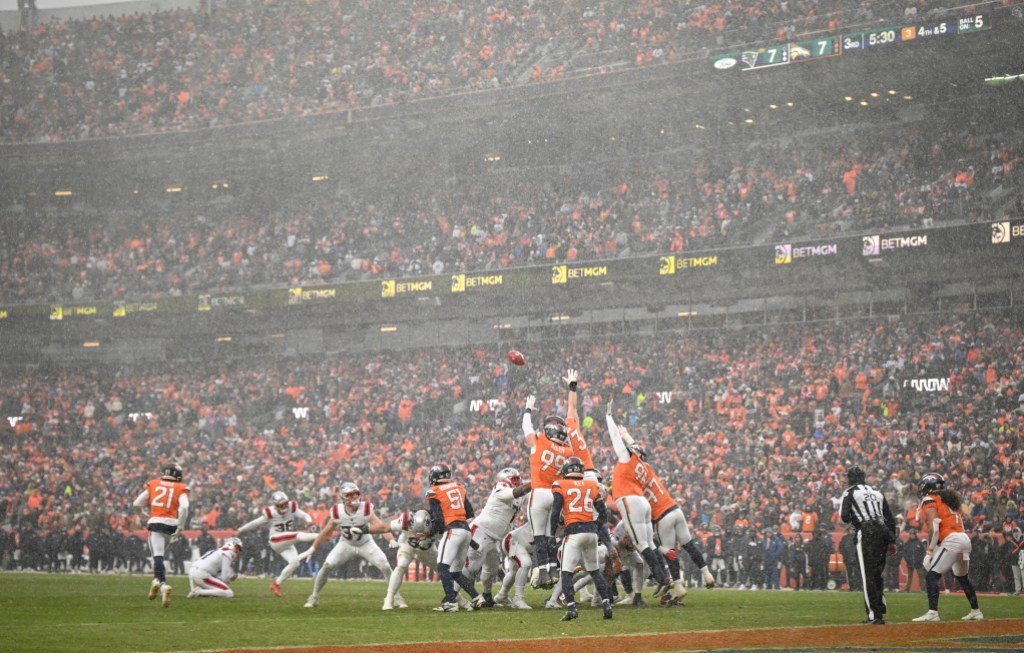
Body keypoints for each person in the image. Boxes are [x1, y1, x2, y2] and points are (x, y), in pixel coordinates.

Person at [604, 403, 682, 602]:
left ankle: (662, 577)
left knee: (641, 543)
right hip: (642, 502)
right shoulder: (642, 463)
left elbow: (615, 440)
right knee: (648, 543)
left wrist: (609, 417)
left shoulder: (627, 458)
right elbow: (637, 447)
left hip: (630, 501)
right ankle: (664, 575)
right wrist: (628, 435)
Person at [299, 482, 394, 608]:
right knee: (327, 565)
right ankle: (314, 596)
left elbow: (380, 526)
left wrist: (391, 540)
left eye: (356, 494)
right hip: (346, 544)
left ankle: (395, 595)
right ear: (343, 497)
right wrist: (312, 548)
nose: (354, 497)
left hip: (366, 543)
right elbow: (325, 531)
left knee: (385, 566)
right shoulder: (337, 511)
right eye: (350, 495)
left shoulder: (365, 508)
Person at [549, 456, 614, 621]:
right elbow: (603, 514)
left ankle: (571, 608)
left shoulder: (560, 484)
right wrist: (594, 526)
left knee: (566, 573)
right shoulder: (592, 485)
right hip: (591, 532)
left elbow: (555, 512)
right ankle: (607, 604)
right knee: (594, 571)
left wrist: (552, 532)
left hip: (574, 532)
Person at [912, 473, 984, 622]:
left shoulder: (930, 499)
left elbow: (935, 526)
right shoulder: (950, 501)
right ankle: (976, 611)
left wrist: (930, 552)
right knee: (963, 578)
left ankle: (933, 613)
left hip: (952, 540)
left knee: (932, 575)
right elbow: (961, 525)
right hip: (964, 539)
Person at [522, 393, 574, 589]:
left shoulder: (540, 441)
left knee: (539, 536)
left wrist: (527, 411)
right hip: (555, 494)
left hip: (539, 493)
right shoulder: (568, 452)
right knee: (550, 534)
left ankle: (543, 572)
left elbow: (526, 428)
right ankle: (553, 570)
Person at [465, 467, 531, 606]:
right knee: (472, 567)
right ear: (505, 480)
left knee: (491, 569)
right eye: (514, 479)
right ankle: (453, 596)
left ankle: (487, 596)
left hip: (494, 537)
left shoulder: (520, 494)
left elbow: (531, 493)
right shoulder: (501, 487)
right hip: (481, 531)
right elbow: (515, 492)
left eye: (518, 478)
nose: (518, 481)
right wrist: (533, 484)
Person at [839, 465, 897, 625]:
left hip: (867, 531)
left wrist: (856, 522)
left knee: (867, 575)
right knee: (877, 573)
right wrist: (892, 540)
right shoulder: (877, 492)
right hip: (883, 531)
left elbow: (844, 516)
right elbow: (890, 519)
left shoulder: (850, 492)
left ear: (850, 478)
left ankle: (874, 614)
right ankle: (879, 605)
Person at [425, 462, 484, 612]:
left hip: (453, 531)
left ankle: (450, 601)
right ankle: (477, 597)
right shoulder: (458, 486)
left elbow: (438, 519)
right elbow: (470, 512)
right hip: (465, 531)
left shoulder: (434, 491)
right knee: (455, 572)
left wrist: (430, 533)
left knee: (442, 566)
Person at [236, 490, 317, 597]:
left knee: (295, 563)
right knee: (297, 535)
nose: (284, 507)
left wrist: (309, 521)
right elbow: (255, 523)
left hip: (286, 541)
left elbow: (304, 515)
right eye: (280, 505)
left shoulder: (291, 507)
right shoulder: (270, 512)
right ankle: (321, 535)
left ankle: (276, 584)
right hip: (276, 540)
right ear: (275, 506)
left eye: (285, 504)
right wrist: (240, 530)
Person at [132, 462, 189, 608]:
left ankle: (162, 584)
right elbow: (184, 507)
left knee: (158, 557)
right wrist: (181, 526)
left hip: (156, 522)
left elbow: (136, 504)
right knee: (160, 557)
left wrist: (144, 516)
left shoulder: (154, 484)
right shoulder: (180, 487)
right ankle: (156, 583)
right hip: (172, 524)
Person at [382, 509, 433, 610]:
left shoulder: (436, 524)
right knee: (401, 565)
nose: (418, 534)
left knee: (442, 568)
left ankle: (455, 598)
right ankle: (389, 598)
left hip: (428, 550)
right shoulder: (404, 521)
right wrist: (366, 530)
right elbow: (384, 527)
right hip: (408, 545)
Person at [493, 522, 536, 610]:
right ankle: (518, 598)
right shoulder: (544, 514)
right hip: (513, 540)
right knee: (525, 563)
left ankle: (501, 595)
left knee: (513, 573)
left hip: (524, 544)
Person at [903, 527, 927, 592]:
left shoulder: (919, 543)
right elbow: (904, 552)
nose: (912, 535)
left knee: (921, 575)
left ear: (915, 534)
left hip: (918, 562)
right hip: (910, 562)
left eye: (913, 534)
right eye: (911, 534)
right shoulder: (907, 543)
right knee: (909, 576)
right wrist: (907, 559)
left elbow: (923, 552)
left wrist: (920, 559)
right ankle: (907, 589)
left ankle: (923, 589)